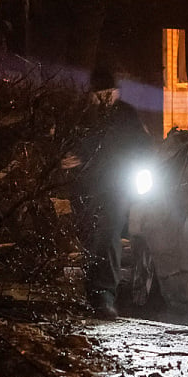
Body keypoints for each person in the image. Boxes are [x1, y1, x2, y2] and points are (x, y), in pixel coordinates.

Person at [76, 65, 153, 319]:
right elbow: (76, 147)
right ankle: (93, 295)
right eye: (102, 93)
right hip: (87, 189)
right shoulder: (85, 117)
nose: (106, 98)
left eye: (110, 93)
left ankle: (104, 296)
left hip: (114, 188)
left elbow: (143, 147)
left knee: (108, 237)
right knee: (91, 241)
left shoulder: (125, 116)